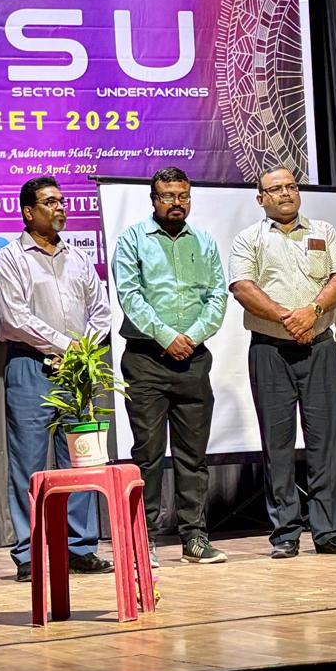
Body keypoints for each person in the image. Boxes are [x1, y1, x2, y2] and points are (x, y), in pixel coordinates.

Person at [228, 167, 336, 558]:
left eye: (291, 186)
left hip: (319, 348)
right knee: (278, 445)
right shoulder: (249, 239)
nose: (285, 193)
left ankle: (329, 531)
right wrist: (290, 319)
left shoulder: (323, 231)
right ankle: (285, 532)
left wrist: (312, 312)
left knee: (326, 443)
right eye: (276, 189)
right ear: (261, 199)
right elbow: (243, 288)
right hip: (270, 350)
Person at [0, 176, 115, 582]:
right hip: (31, 366)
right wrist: (66, 345)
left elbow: (102, 312)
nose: (60, 207)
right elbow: (16, 317)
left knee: (79, 459)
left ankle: (80, 548)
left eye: (62, 201)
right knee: (28, 464)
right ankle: (28, 553)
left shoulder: (78, 257)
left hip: (77, 370)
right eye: (50, 202)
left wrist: (80, 351)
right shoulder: (10, 257)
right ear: (29, 212)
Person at [112, 167, 228, 565]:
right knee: (147, 455)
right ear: (153, 200)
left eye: (183, 196)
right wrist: (166, 337)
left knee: (192, 456)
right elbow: (130, 295)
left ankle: (194, 537)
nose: (176, 203)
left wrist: (191, 337)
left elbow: (217, 297)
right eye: (168, 196)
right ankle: (142, 539)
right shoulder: (133, 239)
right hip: (146, 359)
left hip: (193, 360)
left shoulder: (204, 242)